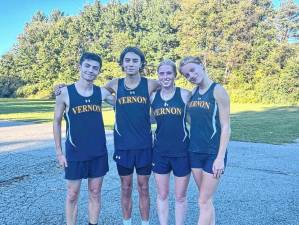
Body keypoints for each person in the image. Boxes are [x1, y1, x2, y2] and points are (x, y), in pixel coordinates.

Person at [53, 52, 114, 225]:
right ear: (79, 67)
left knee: (95, 192)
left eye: (95, 68)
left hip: (98, 152)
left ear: (99, 71)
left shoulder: (101, 93)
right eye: (87, 66)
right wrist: (59, 152)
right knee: (72, 194)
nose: (90, 70)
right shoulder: (64, 93)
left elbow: (124, 101)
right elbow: (56, 122)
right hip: (75, 152)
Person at [105, 46, 159, 225]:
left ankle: (145, 223)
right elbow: (90, 90)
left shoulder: (150, 83)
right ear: (122, 63)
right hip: (123, 146)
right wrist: (63, 88)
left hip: (144, 146)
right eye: (127, 60)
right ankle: (126, 222)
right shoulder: (115, 84)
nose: (131, 64)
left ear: (141, 63)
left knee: (144, 188)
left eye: (135, 61)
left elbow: (169, 87)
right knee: (126, 188)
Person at [178, 56, 230, 225]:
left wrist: (220, 158)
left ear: (201, 65)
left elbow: (226, 127)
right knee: (205, 199)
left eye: (193, 70)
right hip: (194, 152)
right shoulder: (192, 93)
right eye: (187, 75)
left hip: (213, 153)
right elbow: (191, 120)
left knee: (203, 201)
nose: (191, 76)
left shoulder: (217, 90)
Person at [150, 59, 191, 225]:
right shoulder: (152, 97)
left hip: (182, 152)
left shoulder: (185, 95)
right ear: (158, 76)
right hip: (160, 153)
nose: (165, 76)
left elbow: (196, 120)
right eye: (162, 73)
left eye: (169, 73)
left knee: (180, 196)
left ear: (175, 75)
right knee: (162, 195)